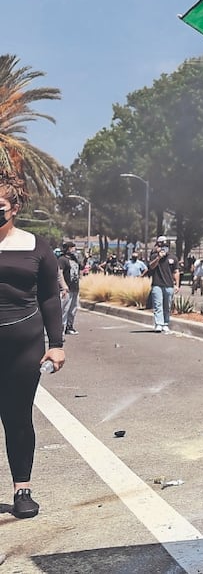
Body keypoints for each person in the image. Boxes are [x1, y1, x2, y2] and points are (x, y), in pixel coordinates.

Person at [0, 173, 66, 519]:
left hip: (23, 345)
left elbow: (50, 298)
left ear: (15, 208)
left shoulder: (35, 246)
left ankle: (21, 490)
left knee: (17, 418)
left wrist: (56, 344)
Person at [148, 235, 179, 333]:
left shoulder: (173, 258)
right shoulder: (154, 256)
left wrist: (177, 284)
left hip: (169, 285)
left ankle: (165, 323)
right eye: (162, 246)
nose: (164, 248)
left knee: (167, 305)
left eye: (166, 246)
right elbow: (151, 267)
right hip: (157, 284)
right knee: (158, 305)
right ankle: (159, 324)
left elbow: (176, 271)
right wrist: (158, 258)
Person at [57, 241, 82, 336]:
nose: (74, 249)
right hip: (66, 289)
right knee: (64, 309)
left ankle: (69, 327)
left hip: (75, 288)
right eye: (72, 247)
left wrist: (86, 258)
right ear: (67, 248)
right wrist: (63, 286)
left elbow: (81, 267)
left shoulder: (74, 259)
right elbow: (59, 273)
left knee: (73, 309)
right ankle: (60, 330)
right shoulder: (62, 260)